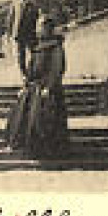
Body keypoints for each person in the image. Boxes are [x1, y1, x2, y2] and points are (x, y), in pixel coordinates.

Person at [6, 14, 69, 159]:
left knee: (39, 112)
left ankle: (41, 149)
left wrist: (49, 87)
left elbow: (57, 69)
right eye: (37, 27)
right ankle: (18, 143)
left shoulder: (56, 47)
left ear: (48, 28)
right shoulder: (38, 48)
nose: (37, 30)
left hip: (48, 88)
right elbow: (30, 71)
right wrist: (25, 84)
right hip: (34, 87)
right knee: (19, 108)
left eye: (40, 27)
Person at [12, 0, 40, 75]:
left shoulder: (32, 4)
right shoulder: (16, 5)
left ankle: (34, 71)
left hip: (29, 32)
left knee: (34, 52)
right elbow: (12, 18)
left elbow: (35, 16)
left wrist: (32, 28)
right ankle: (24, 73)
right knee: (21, 55)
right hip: (19, 34)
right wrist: (12, 31)